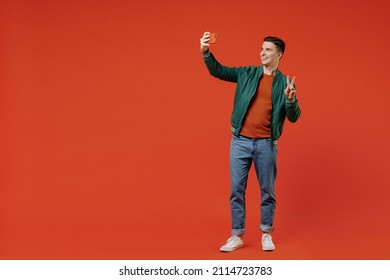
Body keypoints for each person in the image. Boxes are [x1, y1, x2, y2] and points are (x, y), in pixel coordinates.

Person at [200, 32, 301, 252]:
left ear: (279, 55)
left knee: (267, 191)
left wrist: (291, 99)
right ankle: (237, 235)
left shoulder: (284, 83)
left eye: (268, 50)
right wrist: (206, 52)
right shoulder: (247, 73)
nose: (262, 53)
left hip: (266, 144)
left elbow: (294, 117)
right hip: (240, 142)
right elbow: (219, 71)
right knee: (236, 190)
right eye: (262, 49)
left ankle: (266, 234)